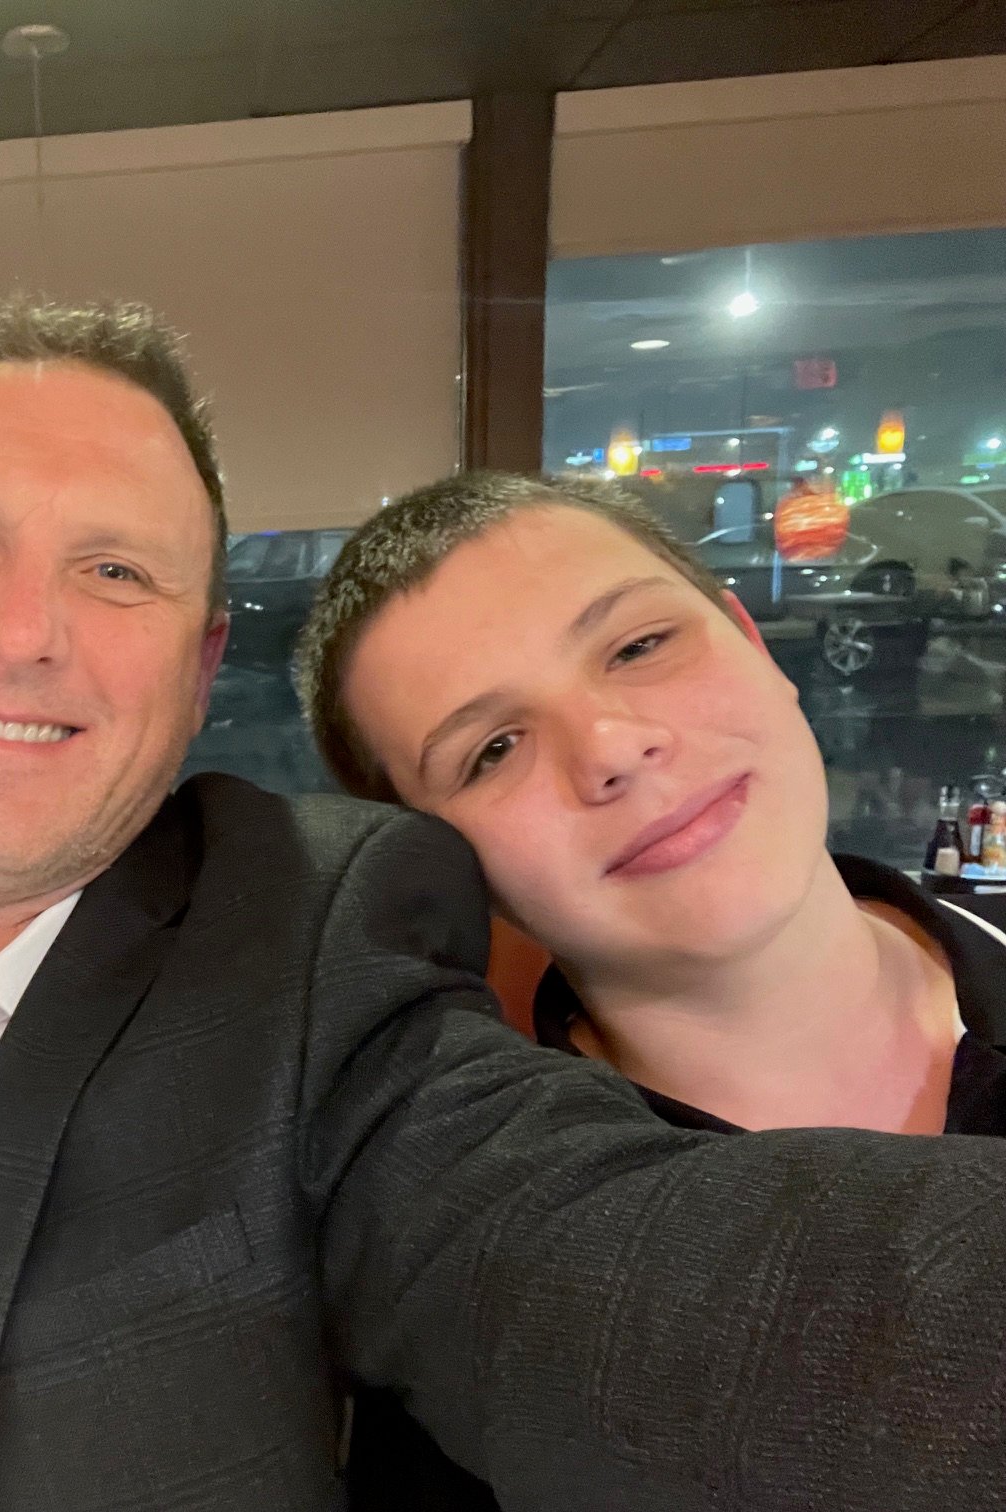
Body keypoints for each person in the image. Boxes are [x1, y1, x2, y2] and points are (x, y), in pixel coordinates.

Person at [0, 302, 1006, 1512]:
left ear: (204, 664)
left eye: (119, 572)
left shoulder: (299, 941)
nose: (26, 631)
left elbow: (616, 1276)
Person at [294, 469, 1006, 1510]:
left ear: (755, 648)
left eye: (639, 646)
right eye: (492, 750)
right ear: (444, 865)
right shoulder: (476, 1307)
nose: (614, 749)